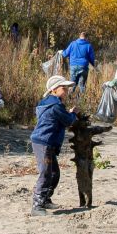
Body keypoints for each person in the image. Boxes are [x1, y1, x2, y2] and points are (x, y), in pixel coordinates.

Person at [30, 75, 78, 216]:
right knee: (46, 173)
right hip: (44, 142)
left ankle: (45, 199)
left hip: (45, 142)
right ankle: (37, 205)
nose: (67, 91)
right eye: (64, 88)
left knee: (54, 173)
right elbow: (69, 122)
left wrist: (68, 113)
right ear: (54, 90)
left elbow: (60, 117)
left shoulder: (47, 103)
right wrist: (73, 114)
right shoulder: (56, 105)